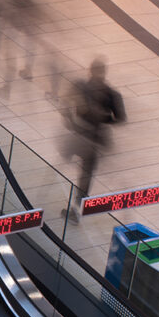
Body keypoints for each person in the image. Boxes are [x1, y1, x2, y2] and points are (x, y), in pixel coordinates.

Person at [60, 58, 125, 219]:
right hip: (93, 139)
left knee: (78, 170)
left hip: (80, 136)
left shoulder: (81, 86)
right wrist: (104, 118)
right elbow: (121, 118)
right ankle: (76, 208)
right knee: (86, 175)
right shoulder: (111, 94)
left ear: (90, 70)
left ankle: (75, 208)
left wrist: (70, 119)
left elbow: (65, 103)